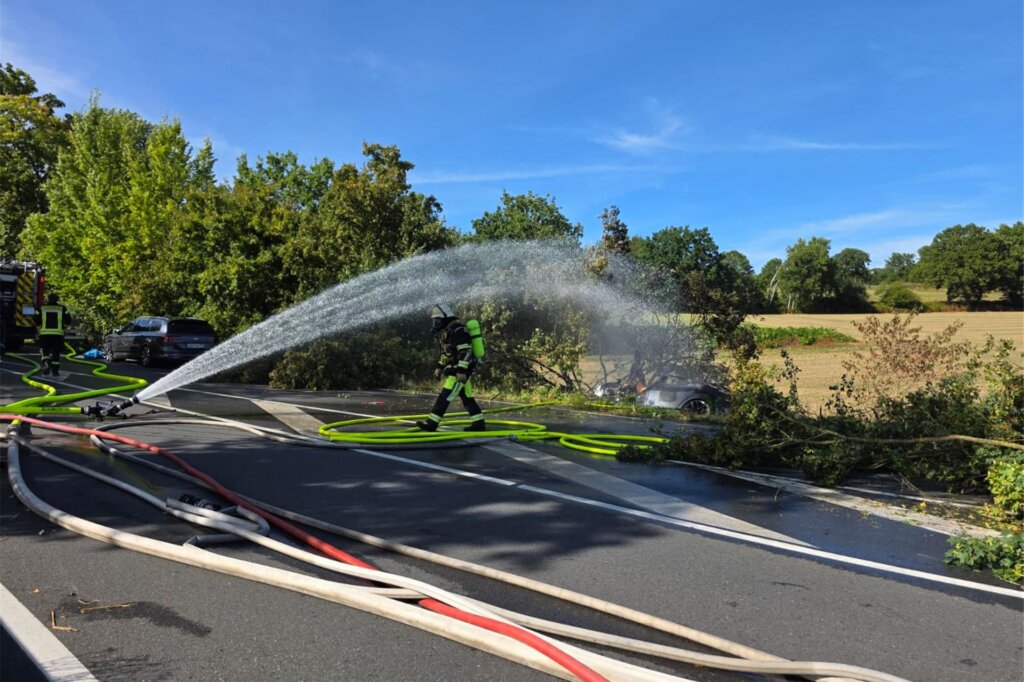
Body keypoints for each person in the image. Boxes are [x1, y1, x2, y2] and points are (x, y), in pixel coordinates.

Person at [416, 303, 486, 432]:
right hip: (456, 368)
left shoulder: (459, 331)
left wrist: (461, 371)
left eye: (437, 320)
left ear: (445, 319)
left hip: (459, 370)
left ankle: (432, 423)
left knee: (445, 395)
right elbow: (447, 354)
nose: (435, 323)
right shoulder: (448, 333)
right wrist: (439, 367)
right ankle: (479, 422)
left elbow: (466, 352)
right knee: (467, 397)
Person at [35, 293, 67, 377]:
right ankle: (55, 371)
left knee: (45, 351)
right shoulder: (62, 308)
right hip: (57, 334)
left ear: (48, 299)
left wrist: (40, 324)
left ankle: (46, 363)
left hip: (45, 334)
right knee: (56, 352)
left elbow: (36, 319)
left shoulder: (41, 308)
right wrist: (63, 326)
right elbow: (68, 319)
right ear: (57, 299)